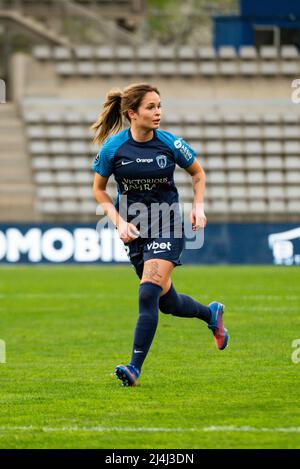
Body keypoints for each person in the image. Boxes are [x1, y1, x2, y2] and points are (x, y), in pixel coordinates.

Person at [91, 83, 229, 387]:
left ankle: (134, 368)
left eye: (159, 106)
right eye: (151, 107)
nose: (158, 113)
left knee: (148, 291)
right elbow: (98, 190)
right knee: (167, 302)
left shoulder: (170, 144)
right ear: (132, 113)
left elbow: (198, 173)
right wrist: (118, 222)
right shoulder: (113, 149)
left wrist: (199, 207)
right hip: (135, 229)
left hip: (168, 224)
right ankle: (211, 314)